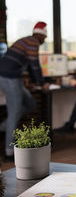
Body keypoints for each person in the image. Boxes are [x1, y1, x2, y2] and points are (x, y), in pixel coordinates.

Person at [0, 21, 50, 161]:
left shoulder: (26, 40)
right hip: (9, 78)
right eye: (44, 39)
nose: (43, 41)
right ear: (40, 36)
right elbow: (34, 65)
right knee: (14, 113)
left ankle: (4, 126)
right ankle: (9, 153)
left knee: (30, 103)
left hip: (12, 78)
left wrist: (35, 83)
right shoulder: (33, 42)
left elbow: (28, 64)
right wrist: (41, 83)